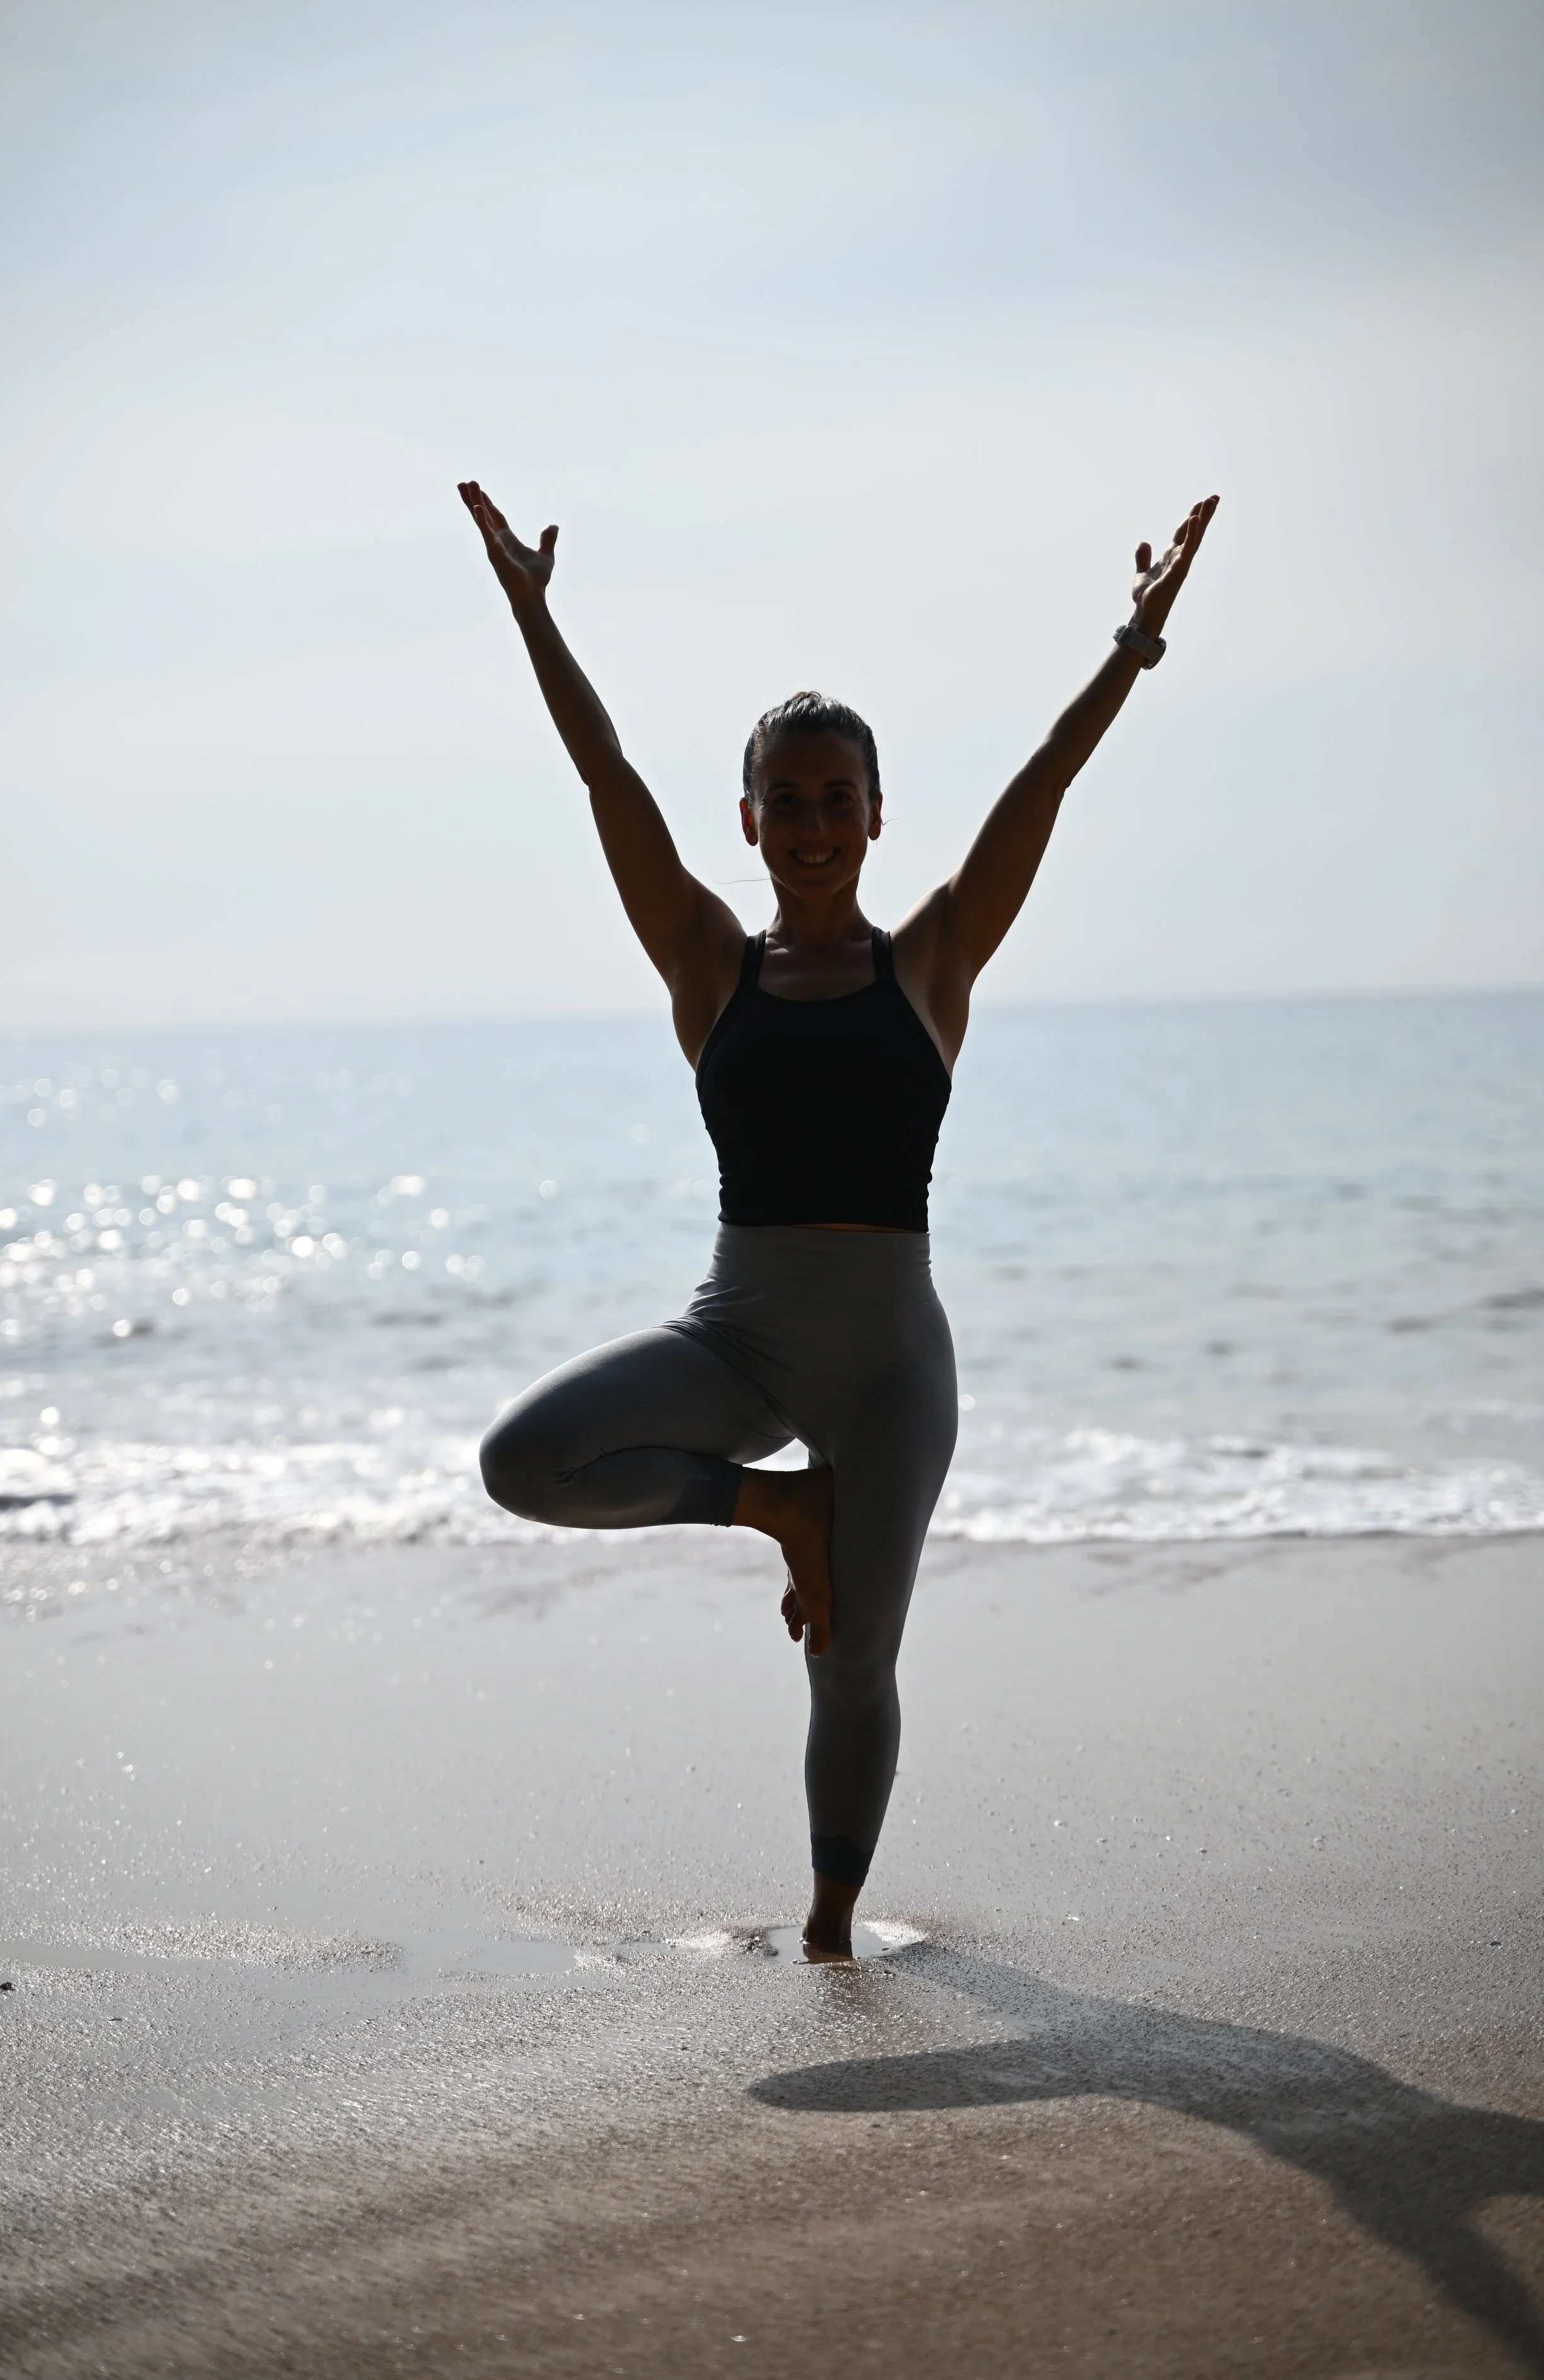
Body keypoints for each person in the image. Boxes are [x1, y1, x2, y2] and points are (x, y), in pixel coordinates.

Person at [458, 476, 1218, 1955]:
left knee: (855, 1657)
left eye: (836, 799)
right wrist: (531, 617)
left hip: (885, 1363)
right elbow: (605, 780)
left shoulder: (931, 962)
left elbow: (1042, 784)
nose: (812, 825)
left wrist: (1133, 641)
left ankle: (824, 1931)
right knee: (523, 1461)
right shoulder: (701, 961)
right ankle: (778, 1508)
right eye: (785, 801)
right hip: (735, 1338)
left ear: (875, 815)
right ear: (747, 821)